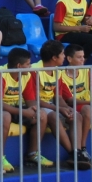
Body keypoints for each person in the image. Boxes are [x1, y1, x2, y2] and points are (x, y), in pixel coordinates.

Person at [0, 47, 54, 168]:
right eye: (28, 64)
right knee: (5, 116)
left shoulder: (26, 75)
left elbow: (30, 100)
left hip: (14, 106)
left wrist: (33, 110)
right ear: (18, 65)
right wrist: (24, 112)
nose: (30, 67)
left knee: (41, 114)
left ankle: (33, 155)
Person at [33, 41, 80, 169]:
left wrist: (65, 108)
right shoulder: (35, 71)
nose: (64, 56)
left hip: (52, 105)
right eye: (62, 54)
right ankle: (73, 154)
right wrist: (59, 109)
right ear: (54, 57)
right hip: (37, 105)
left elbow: (58, 97)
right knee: (53, 116)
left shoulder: (57, 71)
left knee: (75, 115)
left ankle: (79, 151)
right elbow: (34, 100)